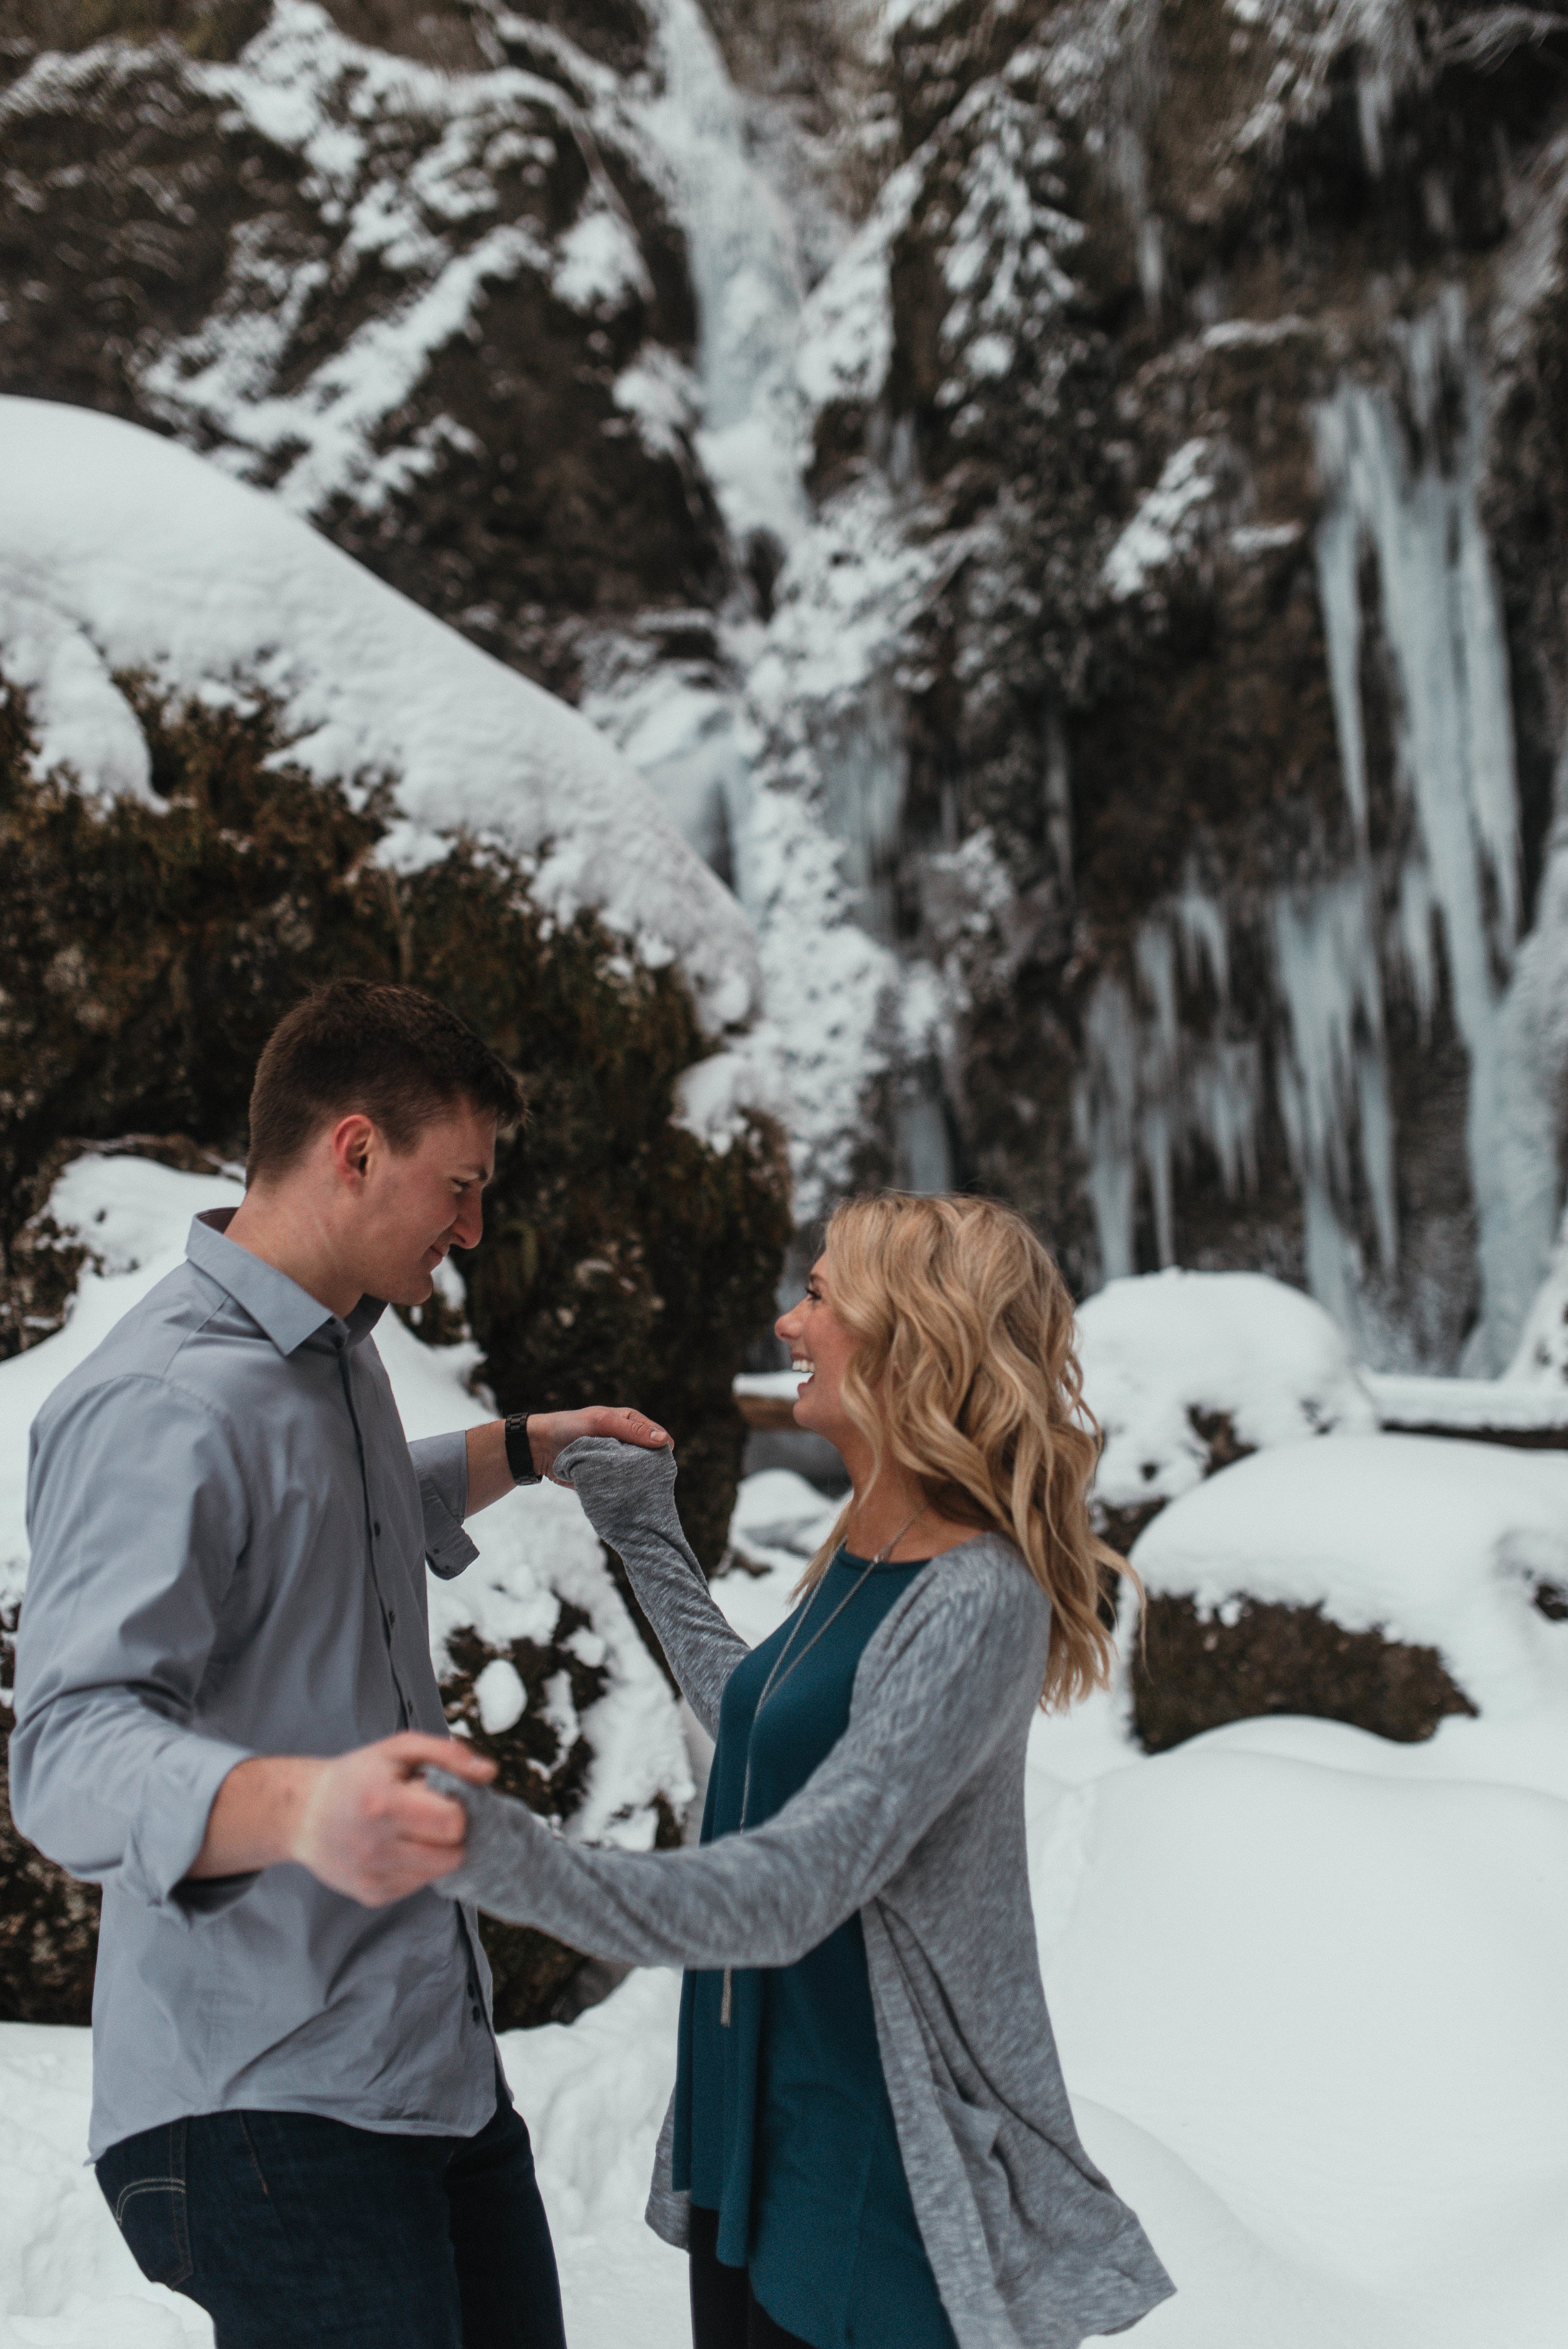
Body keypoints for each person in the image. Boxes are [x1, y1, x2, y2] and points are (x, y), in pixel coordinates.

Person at [8, 978, 670, 2349]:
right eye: (461, 1185)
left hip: (424, 2064)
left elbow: (332, 1510)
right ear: (355, 1148)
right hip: (260, 2097)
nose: (474, 1228)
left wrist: (529, 1444)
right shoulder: (159, 1402)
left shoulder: (333, 1361)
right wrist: (303, 1806)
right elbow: (66, 1755)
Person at [431, 1191, 1176, 2349]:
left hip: (878, 2179)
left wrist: (499, 1854)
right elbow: (761, 1720)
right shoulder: (867, 1549)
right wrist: (645, 1534)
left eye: (820, 1293)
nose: (786, 1323)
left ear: (912, 1334)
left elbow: (792, 1885)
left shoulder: (977, 1597)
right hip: (762, 2133)